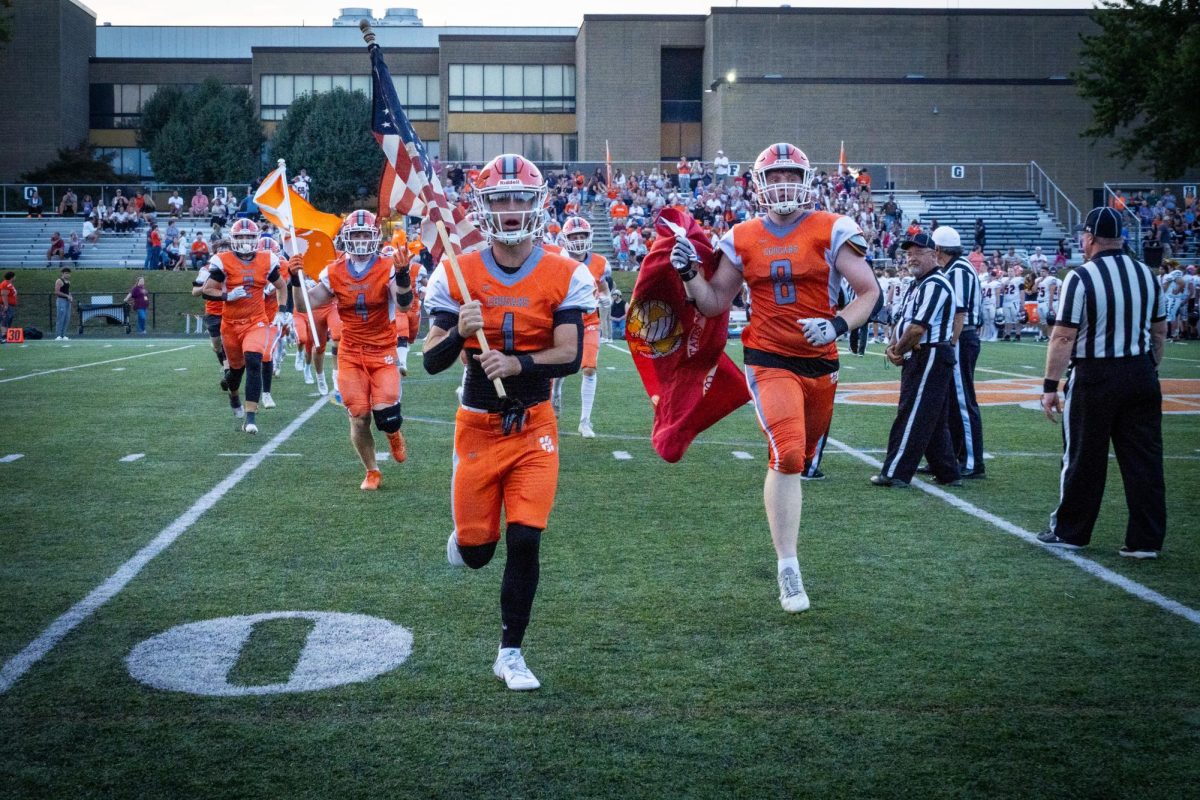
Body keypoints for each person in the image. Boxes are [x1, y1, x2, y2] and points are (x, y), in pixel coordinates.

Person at [670, 142, 880, 613]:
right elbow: (714, 302)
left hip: (821, 360)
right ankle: (789, 568)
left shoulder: (832, 228)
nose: (783, 184)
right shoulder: (742, 236)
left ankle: (788, 553)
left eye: (791, 175)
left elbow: (869, 292)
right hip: (768, 358)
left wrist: (837, 324)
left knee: (800, 458)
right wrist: (688, 274)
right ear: (760, 185)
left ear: (805, 182)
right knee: (786, 453)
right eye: (775, 176)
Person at [422, 153, 595, 690]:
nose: (513, 208)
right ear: (483, 206)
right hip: (477, 424)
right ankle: (466, 539)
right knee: (478, 554)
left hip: (535, 424)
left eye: (522, 197)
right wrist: (458, 332)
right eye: (502, 198)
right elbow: (430, 360)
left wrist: (518, 363)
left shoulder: (567, 271)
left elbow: (569, 354)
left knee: (526, 540)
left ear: (540, 205)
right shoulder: (457, 269)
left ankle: (510, 651)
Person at [1037, 207, 1167, 558]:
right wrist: (1146, 368)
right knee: (1145, 459)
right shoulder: (1147, 274)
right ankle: (1146, 540)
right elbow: (1159, 331)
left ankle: (1071, 532)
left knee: (1083, 456)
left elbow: (1063, 336)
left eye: (1084, 236)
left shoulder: (1081, 277)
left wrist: (1050, 385)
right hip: (1140, 372)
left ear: (1091, 237)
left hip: (1096, 375)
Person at [295, 211, 410, 487]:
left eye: (364, 234)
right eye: (355, 234)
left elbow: (404, 305)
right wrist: (294, 280)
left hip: (382, 349)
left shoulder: (388, 266)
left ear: (374, 237)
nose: (359, 240)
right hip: (351, 352)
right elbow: (304, 306)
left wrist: (403, 274)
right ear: (346, 238)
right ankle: (372, 470)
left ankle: (393, 433)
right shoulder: (333, 270)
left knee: (387, 416)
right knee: (359, 416)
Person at [872, 232, 961, 489]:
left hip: (930, 353)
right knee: (932, 416)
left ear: (934, 254)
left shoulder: (936, 284)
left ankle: (896, 472)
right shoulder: (917, 285)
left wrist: (898, 350)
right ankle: (948, 471)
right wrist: (893, 346)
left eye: (918, 253)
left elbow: (917, 329)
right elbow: (903, 321)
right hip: (921, 354)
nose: (911, 258)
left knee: (912, 412)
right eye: (908, 253)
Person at [199, 218, 286, 435]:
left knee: (254, 360)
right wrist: (227, 295)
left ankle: (250, 417)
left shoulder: (267, 259)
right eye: (241, 237)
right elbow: (206, 290)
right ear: (233, 239)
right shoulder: (223, 260)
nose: (245, 241)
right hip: (230, 325)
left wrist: (283, 311)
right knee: (235, 373)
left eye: (249, 236)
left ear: (256, 239)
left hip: (256, 321)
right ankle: (233, 395)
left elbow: (282, 286)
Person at [932, 226, 985, 479]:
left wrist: (951, 343)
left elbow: (960, 313)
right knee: (951, 400)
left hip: (961, 337)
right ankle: (951, 456)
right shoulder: (954, 268)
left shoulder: (959, 270)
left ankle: (973, 463)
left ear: (939, 249)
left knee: (963, 402)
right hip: (958, 337)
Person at [551, 216, 610, 437]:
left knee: (589, 367)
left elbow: (603, 286)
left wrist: (606, 297)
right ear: (565, 239)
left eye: (581, 235)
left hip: (590, 321)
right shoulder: (557, 260)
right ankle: (556, 392)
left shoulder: (600, 262)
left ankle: (585, 422)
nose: (578, 240)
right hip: (564, 320)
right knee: (560, 366)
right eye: (573, 236)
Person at [1035, 265, 1061, 342]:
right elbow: (1033, 290)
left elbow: (1053, 292)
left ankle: (1051, 336)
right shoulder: (1038, 280)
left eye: (1043, 271)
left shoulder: (1054, 280)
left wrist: (1051, 305)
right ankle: (1044, 336)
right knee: (1043, 321)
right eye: (1041, 271)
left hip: (1051, 301)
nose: (1053, 274)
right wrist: (1037, 283)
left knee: (1050, 320)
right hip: (1041, 301)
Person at [53, 267, 73, 340]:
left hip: (67, 301)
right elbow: (56, 292)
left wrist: (70, 296)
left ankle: (63, 335)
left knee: (66, 318)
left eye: (68, 273)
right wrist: (67, 296)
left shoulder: (68, 282)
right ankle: (58, 335)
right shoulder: (59, 281)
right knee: (61, 318)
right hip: (61, 301)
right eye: (66, 273)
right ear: (62, 273)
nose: (67, 275)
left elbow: (67, 291)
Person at [1, 272, 17, 341]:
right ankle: (3, 336)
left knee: (8, 319)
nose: (15, 278)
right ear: (12, 277)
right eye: (14, 276)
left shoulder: (9, 284)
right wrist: (6, 305)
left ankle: (7, 335)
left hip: (11, 305)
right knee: (5, 319)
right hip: (7, 305)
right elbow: (4, 295)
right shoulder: (5, 284)